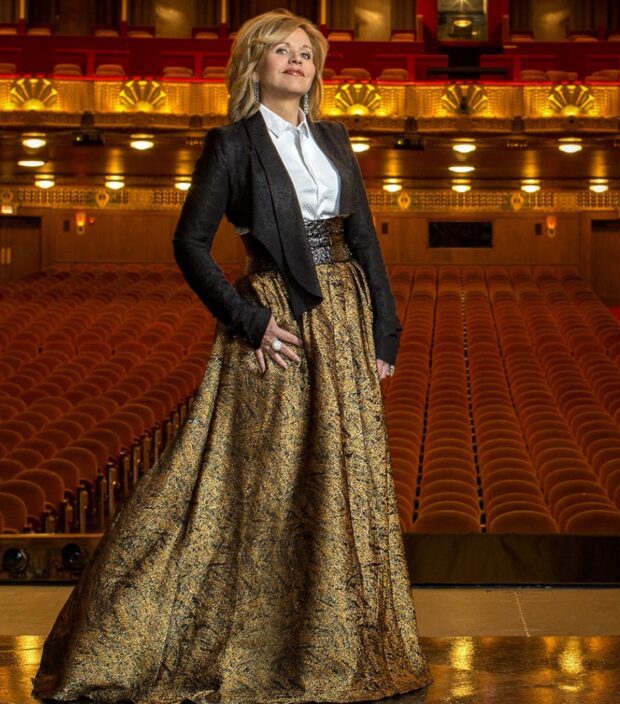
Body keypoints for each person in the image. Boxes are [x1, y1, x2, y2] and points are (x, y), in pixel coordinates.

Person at [31, 8, 433, 703]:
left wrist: (383, 334)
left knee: (341, 483)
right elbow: (189, 244)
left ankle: (333, 645)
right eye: (281, 50)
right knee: (259, 488)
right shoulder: (233, 143)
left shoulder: (336, 137)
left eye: (305, 51)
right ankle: (188, 639)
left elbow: (365, 239)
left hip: (345, 321)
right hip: (276, 323)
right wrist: (250, 320)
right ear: (255, 65)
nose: (296, 60)